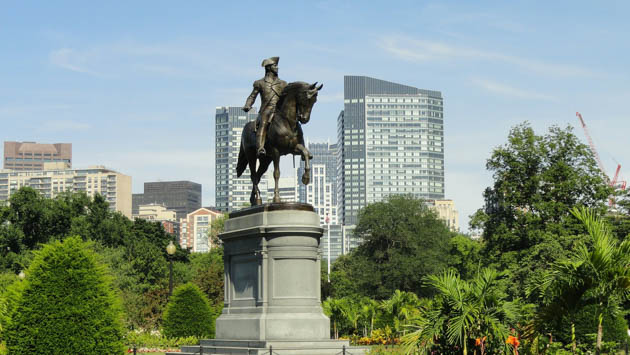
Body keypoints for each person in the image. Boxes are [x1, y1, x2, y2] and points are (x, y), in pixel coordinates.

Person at [243, 56, 287, 157]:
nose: (277, 68)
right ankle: (260, 147)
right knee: (263, 123)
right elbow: (252, 96)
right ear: (268, 68)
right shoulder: (260, 83)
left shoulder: (283, 84)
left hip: (279, 111)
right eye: (275, 66)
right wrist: (247, 105)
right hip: (266, 110)